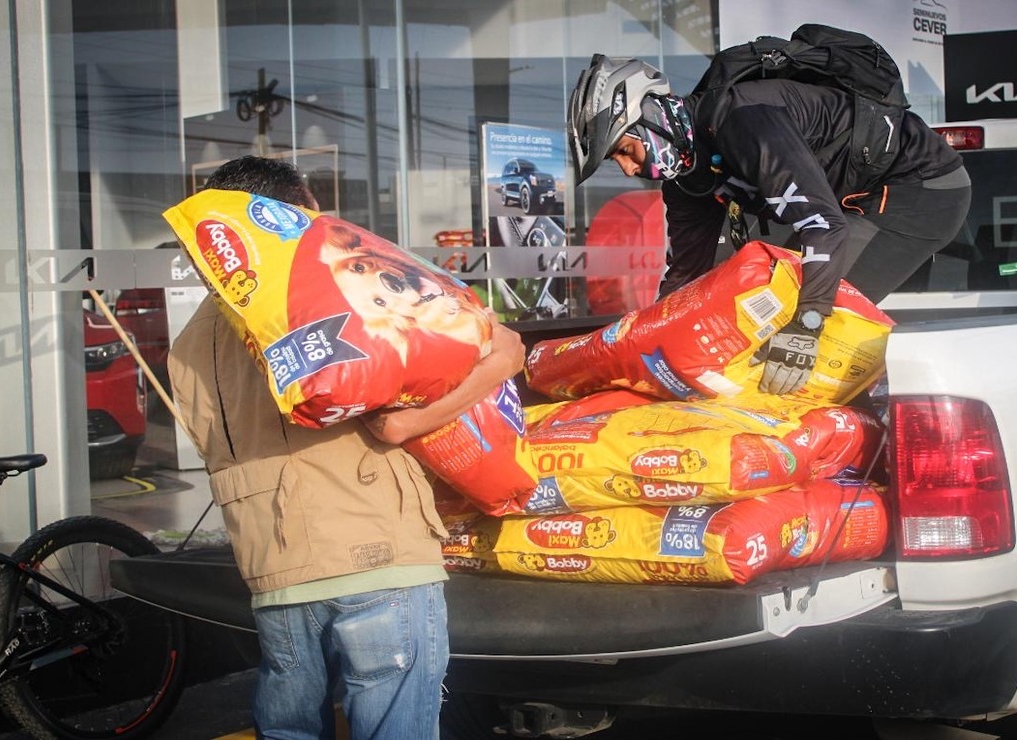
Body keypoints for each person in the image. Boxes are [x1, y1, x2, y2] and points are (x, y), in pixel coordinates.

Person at [167, 155, 526, 739]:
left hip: (275, 574)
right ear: (293, 214)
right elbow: (394, 426)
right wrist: (503, 362)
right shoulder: (325, 292)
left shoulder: (188, 343)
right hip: (376, 560)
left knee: (288, 731)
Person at [567, 50, 971, 395]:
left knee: (808, 329)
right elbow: (685, 276)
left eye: (624, 149)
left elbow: (825, 227)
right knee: (764, 316)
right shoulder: (686, 176)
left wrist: (807, 324)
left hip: (920, 190)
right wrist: (646, 346)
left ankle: (848, 447)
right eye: (615, 160)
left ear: (652, 114)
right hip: (846, 205)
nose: (626, 168)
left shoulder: (744, 120)